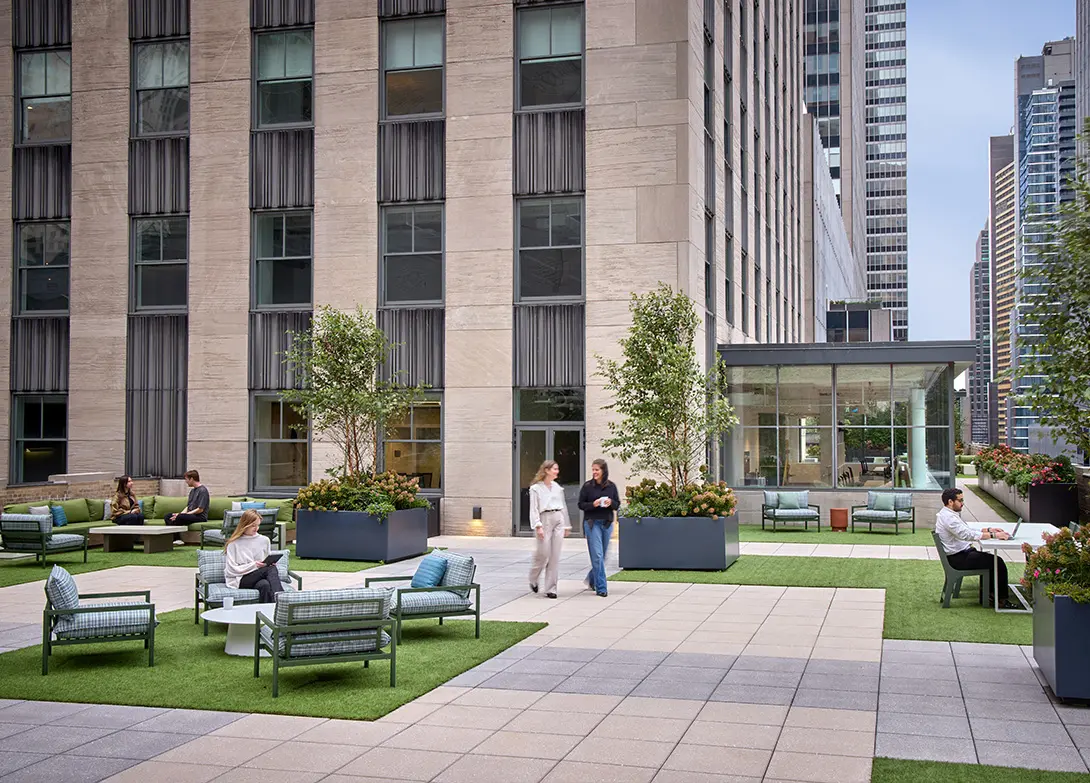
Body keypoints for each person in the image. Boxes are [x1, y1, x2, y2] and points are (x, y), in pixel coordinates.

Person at [935, 487, 1016, 609]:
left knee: (990, 560)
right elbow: (966, 535)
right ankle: (999, 600)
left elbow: (966, 529)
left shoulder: (949, 514)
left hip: (961, 554)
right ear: (950, 502)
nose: (963, 503)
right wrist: (994, 535)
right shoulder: (949, 518)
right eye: (960, 500)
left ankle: (989, 596)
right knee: (997, 562)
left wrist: (988, 530)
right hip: (959, 558)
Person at [527, 460, 570, 599]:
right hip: (544, 519)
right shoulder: (535, 488)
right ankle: (533, 577)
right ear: (546, 470)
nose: (557, 471)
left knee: (555, 555)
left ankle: (551, 588)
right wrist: (537, 525)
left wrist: (566, 525)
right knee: (543, 553)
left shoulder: (557, 487)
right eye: (554, 469)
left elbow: (563, 506)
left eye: (557, 469)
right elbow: (533, 509)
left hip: (558, 518)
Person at [578, 459, 619, 598]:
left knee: (603, 556)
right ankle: (601, 587)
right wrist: (593, 504)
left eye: (597, 470)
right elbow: (581, 504)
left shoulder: (611, 487)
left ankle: (592, 579)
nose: (594, 472)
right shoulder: (587, 486)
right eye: (593, 469)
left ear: (603, 471)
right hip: (591, 523)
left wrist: (611, 502)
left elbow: (617, 504)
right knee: (598, 556)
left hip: (606, 523)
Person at [224, 509, 283, 603]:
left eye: (258, 525)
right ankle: (282, 598)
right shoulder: (234, 543)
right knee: (270, 569)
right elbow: (231, 570)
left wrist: (268, 563)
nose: (256, 528)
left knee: (265, 585)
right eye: (253, 526)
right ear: (244, 525)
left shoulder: (264, 540)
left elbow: (265, 561)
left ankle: (267, 613)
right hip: (240, 578)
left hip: (259, 576)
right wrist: (254, 565)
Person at [165, 470, 210, 544]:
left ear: (191, 479)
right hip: (191, 514)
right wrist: (179, 514)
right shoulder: (192, 491)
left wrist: (184, 515)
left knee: (179, 517)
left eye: (186, 479)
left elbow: (200, 509)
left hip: (200, 516)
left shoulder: (203, 491)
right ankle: (175, 539)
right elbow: (188, 506)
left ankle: (177, 539)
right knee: (168, 516)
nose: (186, 481)